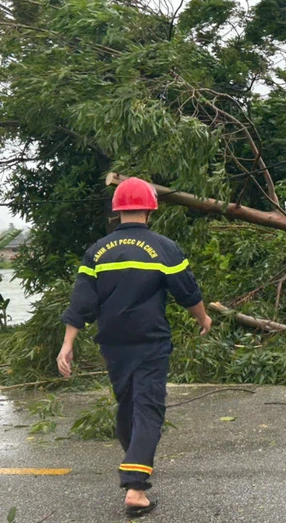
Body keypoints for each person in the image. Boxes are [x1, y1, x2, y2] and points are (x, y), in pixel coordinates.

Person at [57, 177, 212, 517]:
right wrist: (203, 320)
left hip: (112, 344)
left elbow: (81, 302)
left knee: (128, 404)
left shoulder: (97, 250)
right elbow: (188, 293)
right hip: (150, 341)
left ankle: (135, 460)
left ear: (118, 211)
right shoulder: (163, 247)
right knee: (149, 408)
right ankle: (136, 488)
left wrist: (67, 344)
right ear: (149, 209)